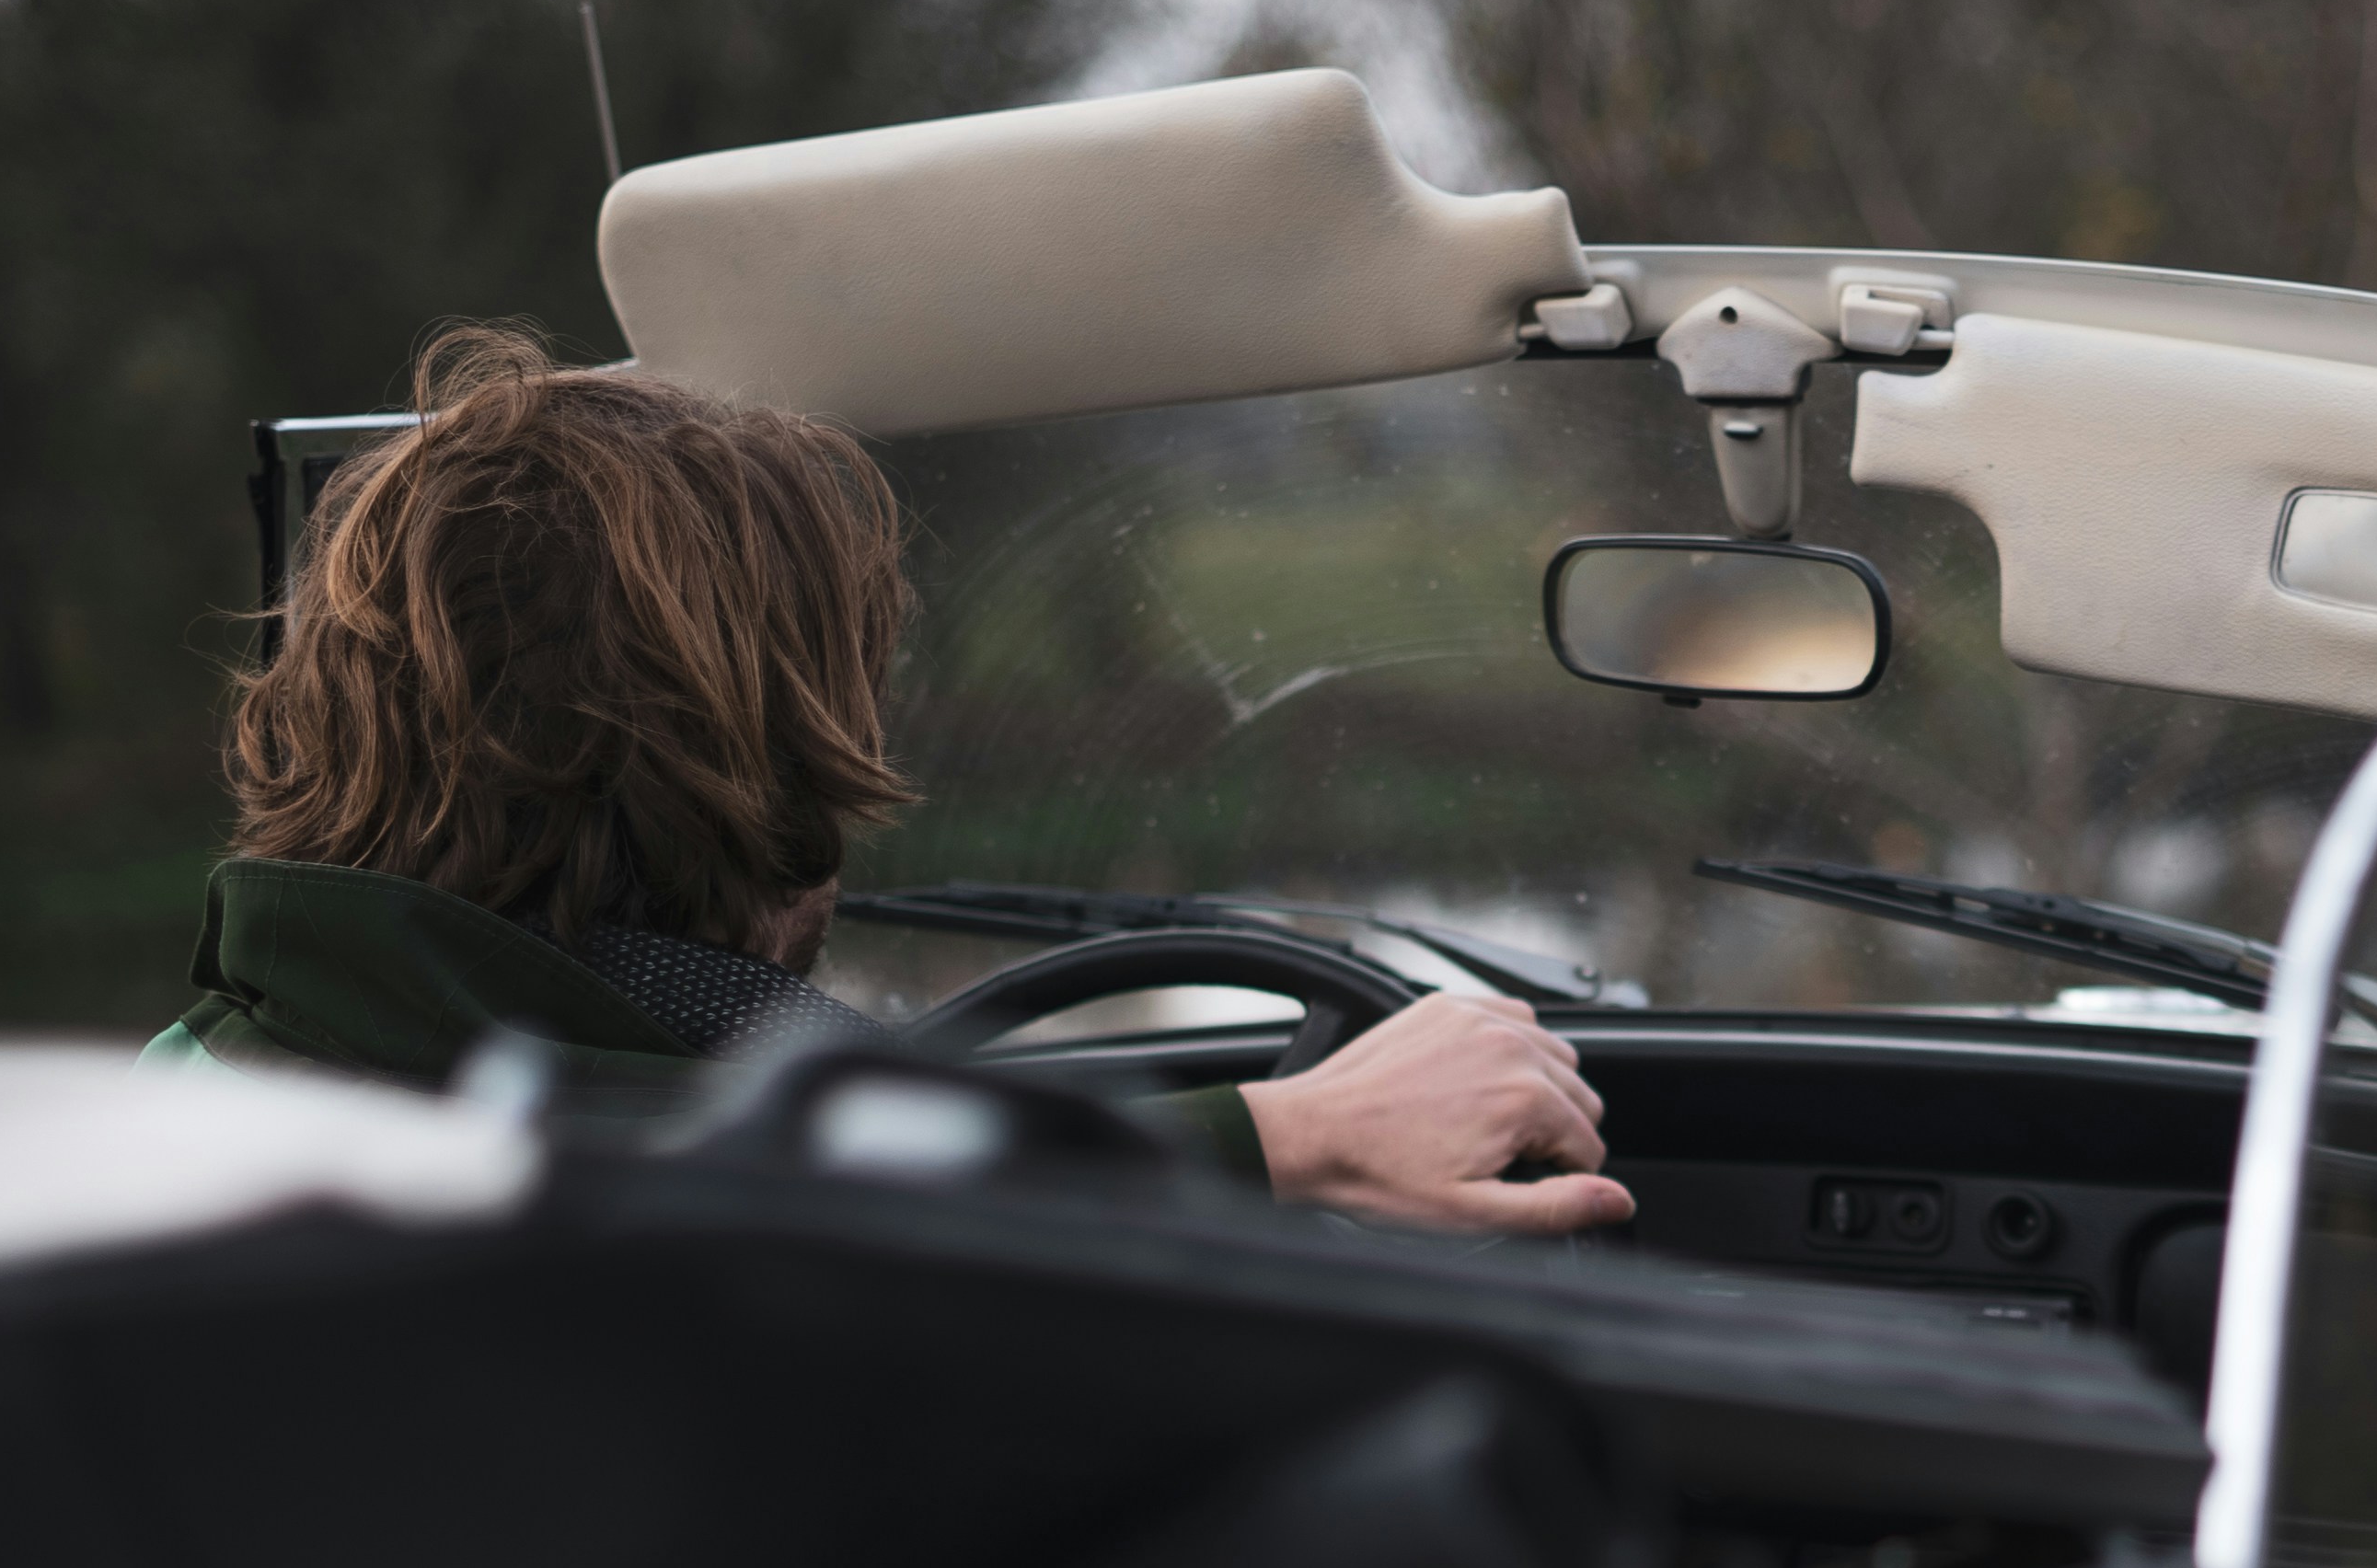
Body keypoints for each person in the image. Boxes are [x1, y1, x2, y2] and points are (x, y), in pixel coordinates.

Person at [156, 325, 1631, 1235]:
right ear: (749, 777)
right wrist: (1297, 1139)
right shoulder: (689, 1264)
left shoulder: (197, 1083)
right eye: (838, 713)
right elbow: (763, 1203)